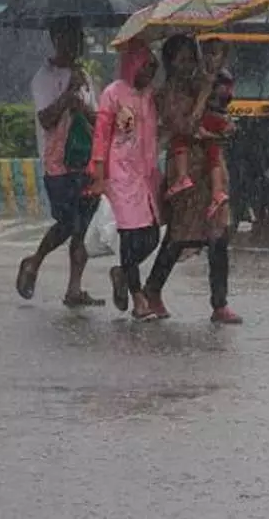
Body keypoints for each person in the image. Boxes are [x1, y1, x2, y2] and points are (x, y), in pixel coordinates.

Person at [142, 35, 243, 325]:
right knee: (180, 235)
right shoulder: (167, 93)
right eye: (181, 59)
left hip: (211, 167)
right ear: (170, 62)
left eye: (191, 58)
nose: (188, 65)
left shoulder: (203, 83)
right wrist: (202, 97)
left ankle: (219, 303)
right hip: (185, 169)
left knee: (219, 234)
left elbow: (216, 115)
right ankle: (152, 289)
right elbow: (185, 126)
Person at [17, 19, 103, 307]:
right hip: (57, 164)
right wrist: (68, 95)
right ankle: (34, 261)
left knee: (83, 227)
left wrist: (83, 106)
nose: (74, 45)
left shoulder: (85, 77)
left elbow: (98, 119)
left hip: (86, 161)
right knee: (67, 222)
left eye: (78, 38)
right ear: (55, 39)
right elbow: (46, 118)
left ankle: (74, 288)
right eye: (68, 38)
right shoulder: (44, 77)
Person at [93, 40, 164, 320]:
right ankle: (138, 298)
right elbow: (101, 136)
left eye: (153, 69)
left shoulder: (148, 97)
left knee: (151, 236)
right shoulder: (113, 94)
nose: (149, 74)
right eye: (146, 67)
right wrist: (99, 176)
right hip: (120, 175)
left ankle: (122, 271)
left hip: (144, 176)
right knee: (130, 236)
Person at [165, 66, 234, 218]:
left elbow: (195, 118)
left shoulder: (207, 87)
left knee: (182, 141)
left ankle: (183, 177)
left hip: (208, 124)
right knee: (213, 154)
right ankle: (217, 191)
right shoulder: (221, 86)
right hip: (215, 127)